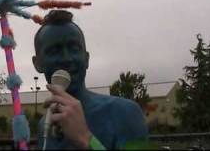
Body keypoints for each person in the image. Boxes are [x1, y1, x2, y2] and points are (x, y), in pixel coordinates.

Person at [32, 10, 148, 150]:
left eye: (74, 49)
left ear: (86, 59)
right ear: (37, 63)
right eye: (54, 51)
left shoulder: (126, 113)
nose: (67, 58)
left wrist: (86, 139)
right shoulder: (44, 125)